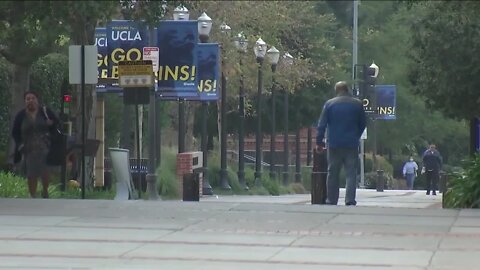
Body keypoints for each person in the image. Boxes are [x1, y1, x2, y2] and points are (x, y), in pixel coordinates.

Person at [316, 81, 366, 206]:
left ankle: (331, 199)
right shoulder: (357, 104)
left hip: (334, 143)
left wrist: (319, 142)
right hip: (351, 143)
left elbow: (321, 125)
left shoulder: (329, 104)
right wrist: (356, 135)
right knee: (351, 173)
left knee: (332, 172)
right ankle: (349, 200)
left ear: (336, 90)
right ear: (347, 89)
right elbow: (363, 123)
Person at [11, 91, 59, 198]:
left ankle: (45, 191)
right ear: (25, 102)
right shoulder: (21, 115)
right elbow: (15, 132)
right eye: (28, 99)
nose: (31, 101)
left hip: (45, 147)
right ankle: (32, 195)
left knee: (45, 170)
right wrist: (20, 145)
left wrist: (51, 124)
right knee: (31, 173)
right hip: (29, 148)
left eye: (33, 98)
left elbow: (56, 123)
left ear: (37, 100)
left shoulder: (45, 112)